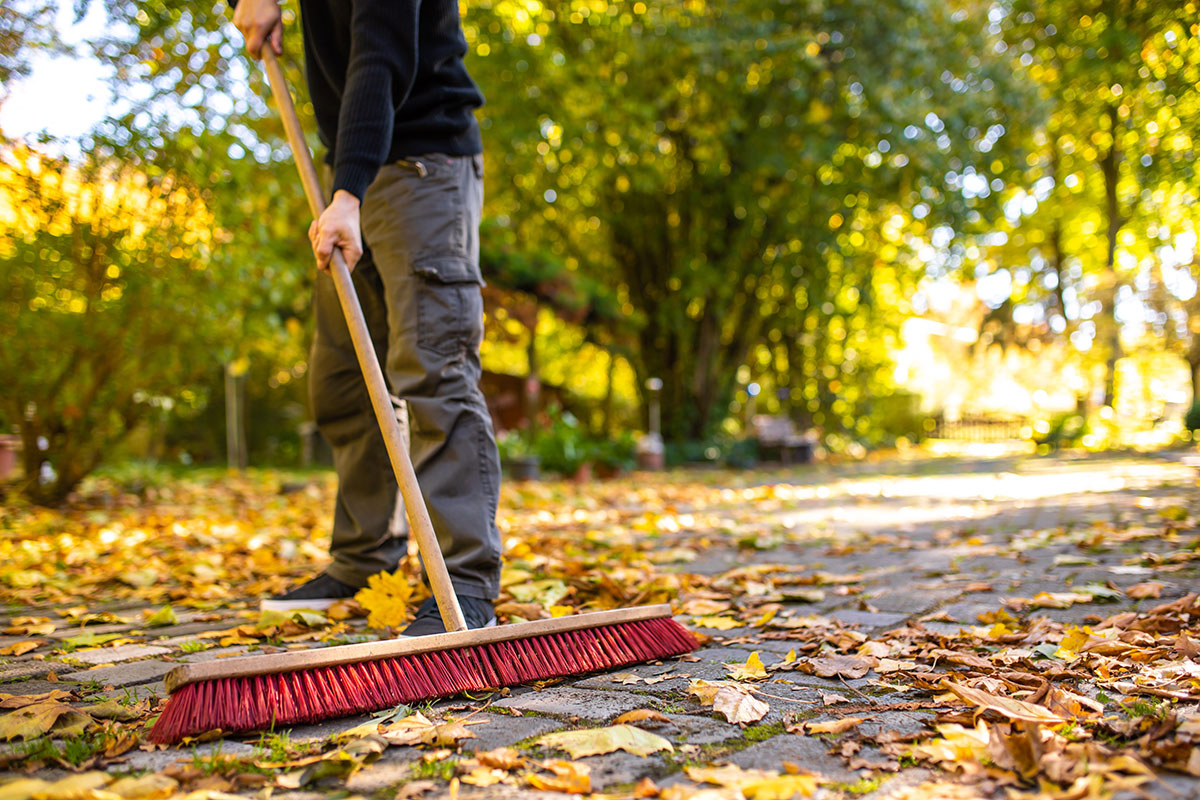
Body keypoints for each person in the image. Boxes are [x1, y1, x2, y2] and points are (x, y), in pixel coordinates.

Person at [232, 0, 502, 635]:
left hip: (421, 167)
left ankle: (462, 582)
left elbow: (380, 54)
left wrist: (346, 191)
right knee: (343, 382)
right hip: (352, 178)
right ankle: (365, 559)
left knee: (433, 372)